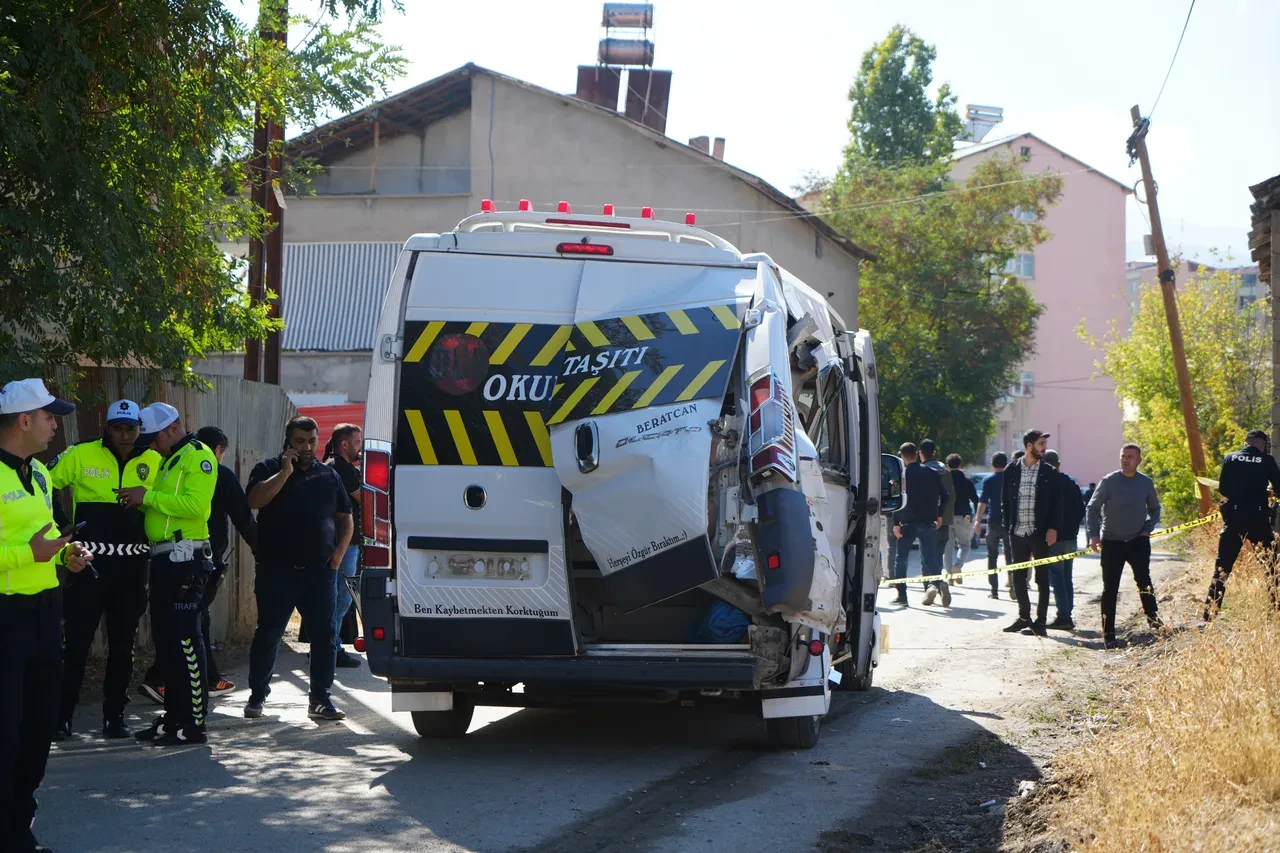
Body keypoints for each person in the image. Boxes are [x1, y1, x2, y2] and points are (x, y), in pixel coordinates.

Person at [0, 379, 91, 852]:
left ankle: (19, 830)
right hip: (5, 619)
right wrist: (26, 554)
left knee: (37, 731)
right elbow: (25, 549)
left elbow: (47, 537)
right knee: (5, 733)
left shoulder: (38, 474)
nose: (56, 425)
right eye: (50, 416)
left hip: (44, 616)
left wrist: (64, 555)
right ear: (23, 420)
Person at [49, 399, 159, 740]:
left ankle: (115, 717)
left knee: (123, 646)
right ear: (106, 427)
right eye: (116, 427)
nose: (123, 435)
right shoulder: (80, 454)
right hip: (88, 565)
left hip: (131, 568)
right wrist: (63, 525)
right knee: (76, 644)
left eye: (130, 428)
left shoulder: (154, 460)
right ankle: (61, 717)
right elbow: (45, 484)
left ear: (140, 428)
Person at [119, 402, 218, 745]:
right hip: (165, 560)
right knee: (168, 644)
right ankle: (175, 717)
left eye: (153, 438)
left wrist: (149, 496)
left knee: (186, 642)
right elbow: (167, 505)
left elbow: (196, 506)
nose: (150, 445)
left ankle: (194, 722)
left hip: (186, 559)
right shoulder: (169, 460)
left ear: (172, 429)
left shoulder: (198, 456)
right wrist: (143, 500)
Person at [244, 417, 354, 722]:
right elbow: (254, 500)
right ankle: (257, 697)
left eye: (312, 441)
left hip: (319, 572)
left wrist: (339, 554)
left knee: (325, 636)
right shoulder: (267, 470)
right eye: (300, 441)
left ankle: (320, 699)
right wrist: (284, 472)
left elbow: (345, 517)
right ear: (288, 442)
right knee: (269, 633)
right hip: (276, 570)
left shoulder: (329, 475)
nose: (307, 447)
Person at [138, 426, 257, 703]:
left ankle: (187, 689)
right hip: (197, 558)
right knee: (192, 624)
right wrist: (262, 551)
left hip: (181, 558)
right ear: (217, 451)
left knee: (187, 623)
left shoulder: (174, 469)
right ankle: (179, 686)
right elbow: (243, 517)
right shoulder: (215, 472)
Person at [1087, 443, 1163, 649]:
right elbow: (1092, 508)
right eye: (1123, 456)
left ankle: (1154, 621)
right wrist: (1093, 535)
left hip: (1138, 541)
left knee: (1144, 581)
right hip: (1112, 542)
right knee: (1110, 589)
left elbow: (1155, 509)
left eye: (1130, 457)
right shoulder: (1109, 481)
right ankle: (1108, 634)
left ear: (1139, 460)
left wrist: (1148, 528)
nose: (1126, 460)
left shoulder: (1145, 483)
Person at [1203, 429, 1280, 620]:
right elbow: (1279, 488)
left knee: (1222, 568)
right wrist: (1266, 494)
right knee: (1272, 567)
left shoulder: (1231, 458)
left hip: (1234, 518)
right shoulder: (1267, 460)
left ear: (1246, 442)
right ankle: (1276, 610)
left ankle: (1209, 615)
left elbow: (1223, 488)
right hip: (1259, 520)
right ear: (1262, 444)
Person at [1000, 429, 1063, 636]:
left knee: (1042, 578)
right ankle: (1024, 617)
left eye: (1045, 444)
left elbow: (1056, 503)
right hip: (1017, 532)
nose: (1044, 447)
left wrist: (1053, 528)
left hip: (1040, 533)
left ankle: (1041, 622)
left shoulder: (1048, 471)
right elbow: (1005, 502)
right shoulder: (1011, 470)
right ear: (1029, 446)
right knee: (1018, 577)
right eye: (1040, 444)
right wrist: (1007, 526)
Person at [891, 442, 948, 606]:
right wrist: (939, 514)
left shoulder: (902, 475)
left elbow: (897, 499)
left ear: (902, 456)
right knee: (930, 558)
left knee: (901, 558)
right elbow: (945, 496)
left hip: (907, 522)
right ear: (917, 454)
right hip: (929, 522)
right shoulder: (932, 473)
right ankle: (939, 583)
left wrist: (896, 522)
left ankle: (902, 595)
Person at [327, 423, 363, 670]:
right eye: (357, 443)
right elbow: (367, 499)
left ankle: (329, 645)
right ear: (344, 444)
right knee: (341, 599)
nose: (360, 448)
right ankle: (332, 647)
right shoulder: (343, 469)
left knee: (339, 597)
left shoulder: (336, 466)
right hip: (344, 544)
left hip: (344, 543)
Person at [1042, 450, 1085, 631]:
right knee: (1066, 577)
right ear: (1059, 463)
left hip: (1054, 539)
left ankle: (1063, 616)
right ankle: (1067, 614)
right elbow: (1081, 510)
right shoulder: (1071, 483)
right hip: (1071, 538)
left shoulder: (1047, 483)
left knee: (1057, 579)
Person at [919, 439, 956, 585]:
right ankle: (936, 583)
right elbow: (951, 496)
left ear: (920, 453)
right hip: (944, 520)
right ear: (934, 453)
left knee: (925, 555)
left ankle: (929, 587)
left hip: (925, 520)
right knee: (938, 555)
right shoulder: (945, 471)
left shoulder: (921, 471)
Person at [975, 452, 1010, 600]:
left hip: (993, 522)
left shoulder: (988, 480)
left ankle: (994, 591)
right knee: (1010, 556)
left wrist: (977, 520)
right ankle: (1013, 586)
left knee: (992, 556)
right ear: (1006, 463)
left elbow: (983, 502)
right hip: (1009, 522)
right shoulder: (1012, 479)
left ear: (992, 463)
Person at [945, 453, 980, 577]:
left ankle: (949, 574)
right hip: (964, 515)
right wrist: (976, 516)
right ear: (961, 465)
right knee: (964, 544)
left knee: (947, 546)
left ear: (947, 465)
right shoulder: (967, 481)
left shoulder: (944, 480)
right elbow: (976, 499)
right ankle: (958, 566)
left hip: (947, 516)